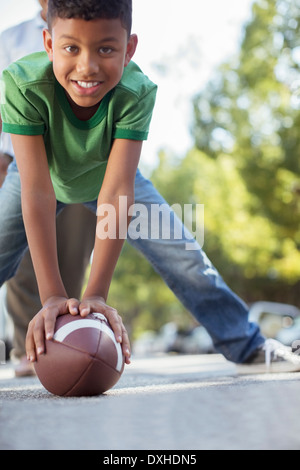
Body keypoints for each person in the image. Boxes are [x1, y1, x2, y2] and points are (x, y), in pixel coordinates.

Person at [0, 0, 299, 373]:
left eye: (106, 49)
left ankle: (249, 345)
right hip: (38, 176)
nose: (87, 66)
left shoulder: (136, 91)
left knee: (185, 256)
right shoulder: (22, 84)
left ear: (130, 49)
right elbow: (37, 191)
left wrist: (95, 294)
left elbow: (117, 192)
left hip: (108, 175)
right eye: (71, 48)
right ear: (48, 44)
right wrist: (53, 297)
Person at [0, 0, 96, 376]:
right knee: (23, 255)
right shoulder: (11, 41)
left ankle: (65, 332)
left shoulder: (95, 24)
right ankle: (30, 342)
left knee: (71, 252)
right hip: (21, 158)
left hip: (82, 157)